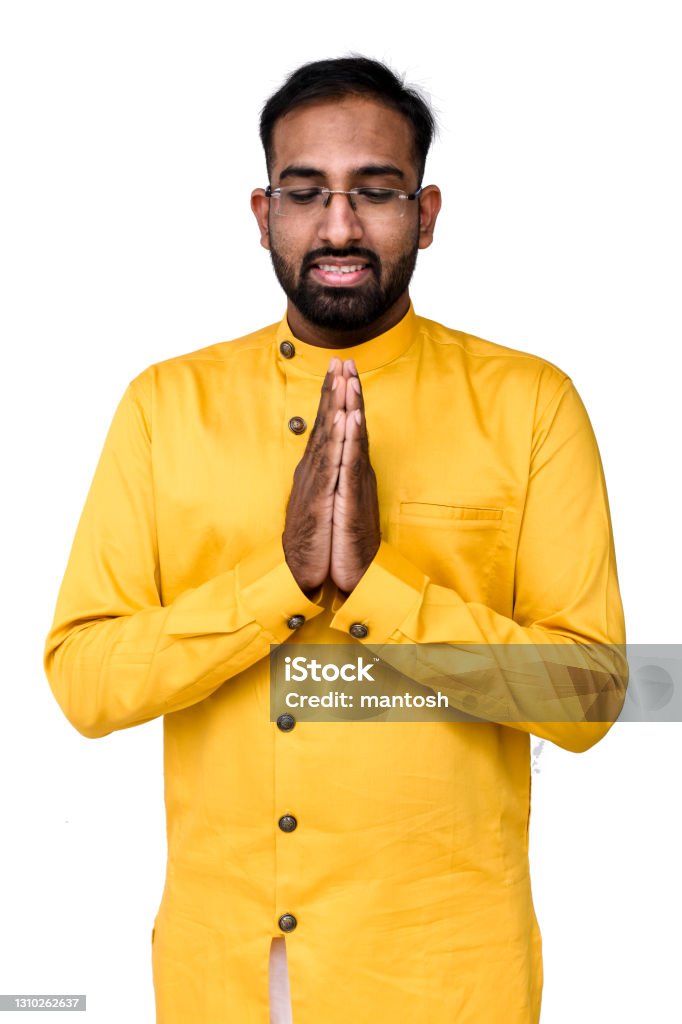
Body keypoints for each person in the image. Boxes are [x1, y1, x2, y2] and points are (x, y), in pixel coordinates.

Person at [44, 56, 627, 1024]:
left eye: (376, 191)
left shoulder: (530, 404)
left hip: (447, 972)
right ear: (262, 212)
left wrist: (376, 590)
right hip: (226, 972)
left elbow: (593, 692)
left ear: (426, 213)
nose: (340, 226)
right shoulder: (163, 406)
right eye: (306, 193)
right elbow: (84, 682)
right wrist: (279, 580)